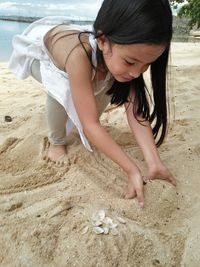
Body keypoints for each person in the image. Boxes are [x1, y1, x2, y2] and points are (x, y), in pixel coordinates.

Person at [9, 0, 176, 207]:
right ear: (104, 41)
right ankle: (56, 141)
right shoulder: (78, 55)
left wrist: (154, 163)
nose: (137, 73)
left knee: (111, 80)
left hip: (95, 49)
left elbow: (136, 113)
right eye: (131, 62)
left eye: (146, 65)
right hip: (40, 54)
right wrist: (132, 169)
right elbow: (90, 125)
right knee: (64, 91)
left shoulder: (127, 52)